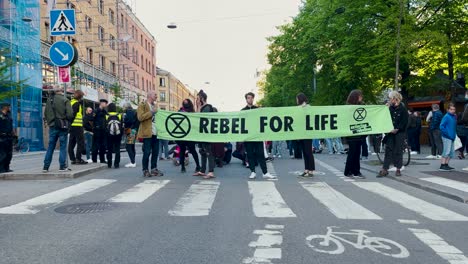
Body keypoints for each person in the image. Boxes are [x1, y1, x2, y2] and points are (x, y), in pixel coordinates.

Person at [241, 92, 276, 180]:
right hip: (248, 136)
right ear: (246, 99)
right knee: (250, 154)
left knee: (260, 153)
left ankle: (265, 172)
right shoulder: (243, 111)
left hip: (257, 136)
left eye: (251, 98)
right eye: (248, 98)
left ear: (253, 99)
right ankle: (253, 172)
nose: (250, 99)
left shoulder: (257, 109)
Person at [378, 91, 408, 177]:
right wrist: (385, 109)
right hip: (390, 132)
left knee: (398, 151)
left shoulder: (403, 109)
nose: (389, 100)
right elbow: (384, 119)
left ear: (395, 99)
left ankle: (398, 169)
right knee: (388, 150)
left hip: (399, 133)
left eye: (390, 98)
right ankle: (385, 169)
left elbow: (405, 121)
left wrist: (397, 129)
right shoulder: (389, 108)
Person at [43, 89, 73, 172]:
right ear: (61, 91)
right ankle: (62, 166)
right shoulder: (65, 100)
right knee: (63, 146)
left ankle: (46, 166)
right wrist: (66, 120)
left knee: (50, 146)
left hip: (52, 126)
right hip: (62, 126)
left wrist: (50, 122)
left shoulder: (49, 100)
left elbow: (46, 113)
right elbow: (70, 114)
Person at [137, 91, 163, 177]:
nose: (156, 96)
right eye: (155, 94)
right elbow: (140, 117)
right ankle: (145, 169)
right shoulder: (142, 105)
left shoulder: (155, 106)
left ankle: (153, 169)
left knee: (155, 152)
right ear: (150, 96)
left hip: (156, 132)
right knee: (147, 152)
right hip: (147, 132)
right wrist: (151, 113)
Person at [194, 90, 217, 179]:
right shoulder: (202, 107)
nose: (196, 100)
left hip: (206, 134)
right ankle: (202, 171)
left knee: (208, 152)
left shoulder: (207, 107)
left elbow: (201, 118)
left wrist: (199, 107)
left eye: (198, 98)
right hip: (201, 134)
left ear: (202, 99)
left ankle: (211, 172)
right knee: (202, 152)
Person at [344, 90, 366, 179]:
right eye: (360, 96)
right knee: (353, 153)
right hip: (352, 134)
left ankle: (353, 171)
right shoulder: (349, 108)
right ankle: (351, 171)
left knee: (356, 153)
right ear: (356, 97)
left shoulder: (361, 106)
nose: (361, 98)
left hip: (358, 134)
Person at [177, 99, 201, 173]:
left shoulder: (192, 112)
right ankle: (182, 167)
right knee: (182, 150)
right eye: (184, 103)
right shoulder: (180, 111)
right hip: (182, 134)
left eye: (186, 103)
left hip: (190, 134)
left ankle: (198, 165)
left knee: (192, 150)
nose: (185, 104)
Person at [296, 93, 316, 177]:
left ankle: (311, 170)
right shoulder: (298, 108)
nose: (296, 100)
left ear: (300, 99)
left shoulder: (308, 107)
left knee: (308, 152)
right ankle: (306, 169)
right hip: (301, 133)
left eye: (297, 99)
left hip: (307, 133)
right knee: (304, 152)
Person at [68, 90, 87, 165]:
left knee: (72, 142)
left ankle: (72, 158)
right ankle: (78, 159)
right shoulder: (77, 104)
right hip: (77, 126)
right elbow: (73, 115)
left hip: (72, 126)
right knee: (80, 143)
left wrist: (69, 125)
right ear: (80, 97)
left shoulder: (70, 102)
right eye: (82, 96)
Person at [439, 103, 457, 171]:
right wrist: (447, 134)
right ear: (448, 110)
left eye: (454, 109)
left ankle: (446, 165)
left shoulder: (453, 116)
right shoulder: (446, 116)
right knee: (446, 151)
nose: (453, 110)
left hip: (451, 137)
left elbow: (453, 127)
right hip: (447, 137)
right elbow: (441, 126)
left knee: (451, 152)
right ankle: (442, 165)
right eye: (451, 109)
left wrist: (454, 135)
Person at [105, 103, 122, 169]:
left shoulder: (106, 115)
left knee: (109, 149)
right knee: (117, 149)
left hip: (109, 134)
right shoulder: (119, 115)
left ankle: (109, 163)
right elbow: (122, 125)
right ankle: (116, 164)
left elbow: (104, 125)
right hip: (118, 134)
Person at [92, 99, 108, 163]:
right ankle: (94, 160)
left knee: (103, 146)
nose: (106, 104)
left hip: (103, 130)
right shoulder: (96, 111)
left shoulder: (105, 112)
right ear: (101, 103)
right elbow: (91, 119)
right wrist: (94, 127)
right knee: (95, 145)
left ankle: (102, 159)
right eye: (105, 103)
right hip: (97, 130)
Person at [123, 103, 139, 168]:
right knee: (132, 146)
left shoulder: (129, 112)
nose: (123, 108)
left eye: (123, 107)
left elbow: (129, 121)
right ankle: (133, 161)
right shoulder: (134, 112)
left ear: (126, 107)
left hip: (130, 130)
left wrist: (125, 123)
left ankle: (133, 162)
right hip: (134, 130)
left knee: (128, 146)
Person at [0, 102, 14, 173]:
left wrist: (13, 135)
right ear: (4, 107)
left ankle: (7, 167)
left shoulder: (9, 115)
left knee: (9, 154)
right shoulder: (0, 115)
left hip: (9, 136)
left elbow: (11, 125)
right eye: (8, 106)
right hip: (2, 136)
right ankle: (1, 168)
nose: (9, 107)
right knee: (2, 154)